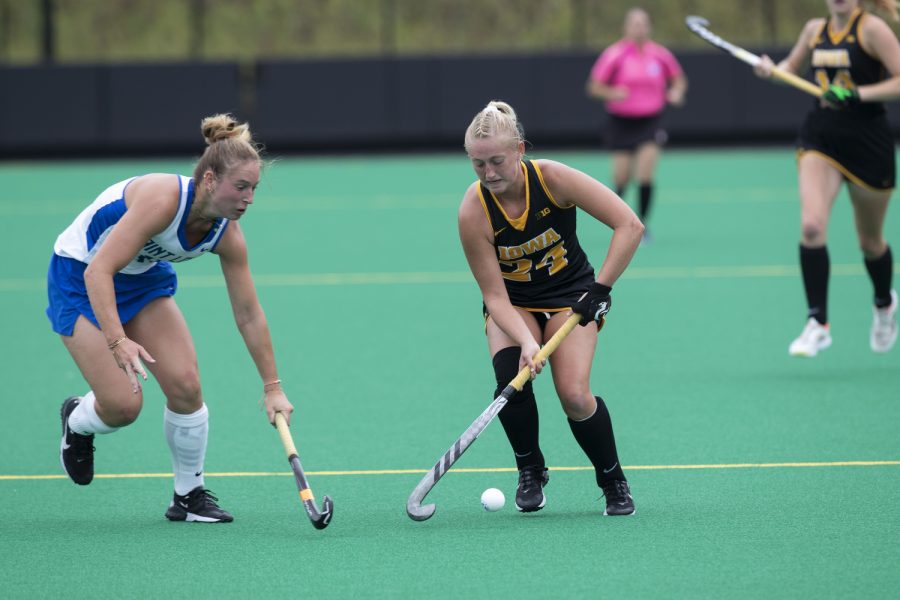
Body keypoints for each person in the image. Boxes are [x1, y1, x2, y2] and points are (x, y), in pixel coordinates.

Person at [48, 114, 294, 522]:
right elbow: (98, 271)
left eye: (254, 188)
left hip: (141, 279)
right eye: (241, 186)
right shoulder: (164, 200)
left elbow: (248, 314)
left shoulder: (226, 233)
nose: (249, 197)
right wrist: (117, 340)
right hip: (80, 275)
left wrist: (273, 388)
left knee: (185, 384)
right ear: (211, 180)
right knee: (124, 406)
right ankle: (78, 420)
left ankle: (188, 496)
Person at [459, 100, 644, 516]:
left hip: (571, 298)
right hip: (515, 304)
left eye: (497, 161)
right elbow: (494, 297)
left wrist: (601, 288)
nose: (488, 174)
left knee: (575, 396)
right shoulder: (473, 211)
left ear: (520, 150)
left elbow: (629, 225)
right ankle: (530, 469)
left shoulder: (553, 178)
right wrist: (525, 340)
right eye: (478, 164)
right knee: (511, 382)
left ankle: (613, 479)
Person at [754, 0, 899, 357]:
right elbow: (790, 69)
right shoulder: (813, 30)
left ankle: (883, 302)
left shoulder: (872, 29)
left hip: (868, 142)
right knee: (812, 227)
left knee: (870, 242)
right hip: (821, 138)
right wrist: (772, 70)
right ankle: (818, 322)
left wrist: (855, 94)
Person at [585, 7, 687, 242]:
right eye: (635, 24)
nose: (639, 28)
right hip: (621, 123)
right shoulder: (614, 55)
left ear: (649, 27)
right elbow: (594, 87)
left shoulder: (660, 55)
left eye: (643, 24)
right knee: (621, 178)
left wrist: (676, 92)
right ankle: (618, 220)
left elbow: (678, 79)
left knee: (645, 175)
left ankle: (642, 224)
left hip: (651, 122)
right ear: (626, 28)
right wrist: (612, 92)